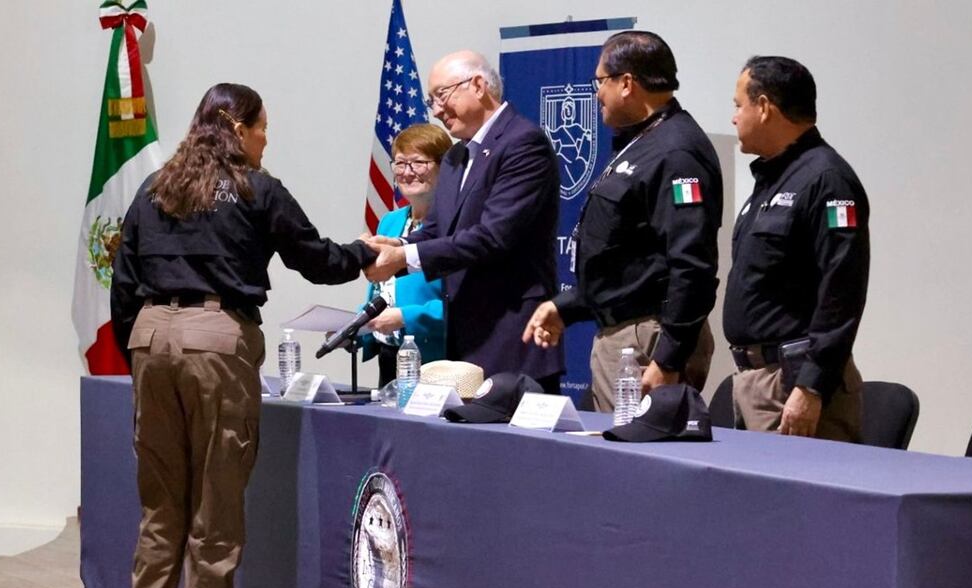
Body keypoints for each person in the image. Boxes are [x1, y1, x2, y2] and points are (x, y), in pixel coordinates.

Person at [109, 83, 374, 588]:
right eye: (262, 129)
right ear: (238, 128)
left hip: (151, 338)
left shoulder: (156, 188)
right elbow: (317, 260)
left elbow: (123, 278)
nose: (265, 140)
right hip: (215, 342)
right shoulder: (258, 189)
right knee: (215, 503)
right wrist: (364, 252)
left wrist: (144, 348)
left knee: (160, 505)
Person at [521, 31, 720, 411]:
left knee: (638, 465)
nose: (596, 93)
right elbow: (629, 258)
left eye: (600, 81)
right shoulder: (643, 142)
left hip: (649, 341)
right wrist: (569, 305)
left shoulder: (676, 151)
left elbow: (691, 264)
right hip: (627, 334)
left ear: (626, 83)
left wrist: (669, 358)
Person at [362, 50, 565, 392]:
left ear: (478, 85)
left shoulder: (522, 143)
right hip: (462, 341)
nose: (437, 110)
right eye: (431, 101)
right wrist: (395, 244)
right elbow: (438, 230)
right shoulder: (457, 156)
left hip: (512, 336)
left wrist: (403, 258)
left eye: (441, 96)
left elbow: (493, 236)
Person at [724, 56, 870, 441]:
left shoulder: (827, 180)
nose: (734, 118)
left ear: (765, 106)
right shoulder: (773, 178)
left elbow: (842, 289)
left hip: (794, 386)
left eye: (739, 105)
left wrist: (811, 385)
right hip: (760, 382)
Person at [358, 123, 451, 386]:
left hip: (437, 362)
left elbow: (465, 304)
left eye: (418, 162)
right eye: (400, 163)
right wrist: (354, 326)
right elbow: (380, 292)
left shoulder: (455, 226)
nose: (407, 173)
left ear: (445, 168)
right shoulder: (389, 222)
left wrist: (405, 317)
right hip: (389, 357)